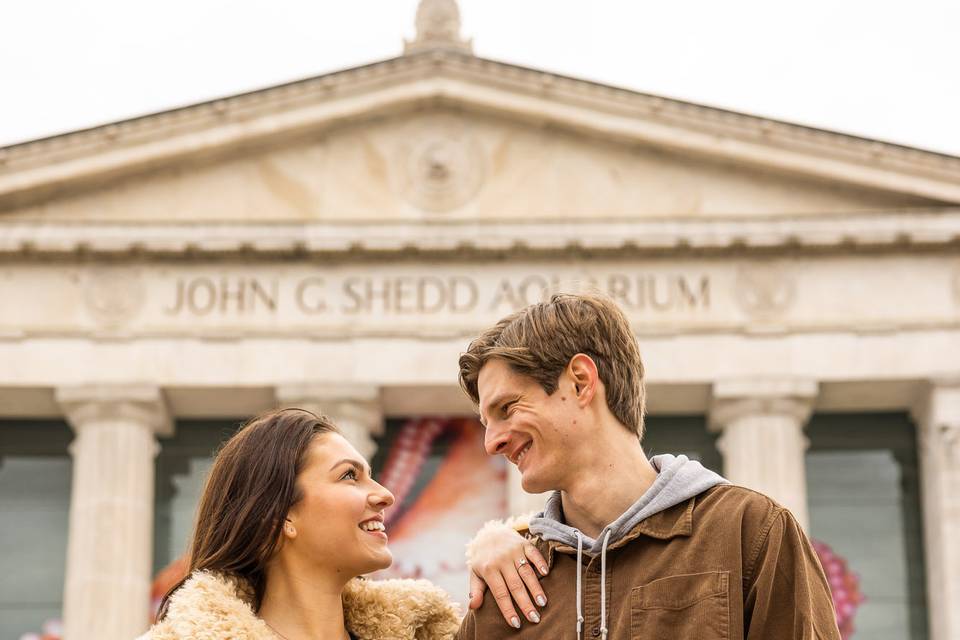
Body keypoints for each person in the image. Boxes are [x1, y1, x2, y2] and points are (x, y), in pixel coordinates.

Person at [456, 293, 842, 639]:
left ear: (580, 382)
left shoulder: (751, 532)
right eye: (487, 425)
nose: (493, 443)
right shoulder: (504, 585)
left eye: (507, 409)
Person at [139, 408, 539, 640]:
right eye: (350, 476)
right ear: (281, 517)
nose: (385, 494)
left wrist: (522, 543)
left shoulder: (434, 633)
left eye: (371, 474)